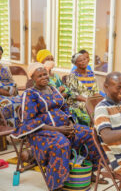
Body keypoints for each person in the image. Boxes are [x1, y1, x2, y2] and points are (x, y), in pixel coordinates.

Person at [11, 62, 107, 191]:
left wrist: (71, 124)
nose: (44, 77)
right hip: (42, 132)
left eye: (45, 74)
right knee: (61, 143)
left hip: (64, 127)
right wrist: (58, 130)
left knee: (89, 133)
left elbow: (65, 108)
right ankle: (57, 185)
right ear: (32, 78)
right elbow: (29, 121)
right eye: (39, 76)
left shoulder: (53, 88)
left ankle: (91, 172)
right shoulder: (30, 94)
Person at [66, 53, 105, 126]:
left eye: (84, 59)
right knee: (89, 110)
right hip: (77, 103)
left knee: (103, 107)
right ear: (75, 64)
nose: (83, 61)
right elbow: (73, 94)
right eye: (80, 60)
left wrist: (98, 100)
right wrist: (88, 101)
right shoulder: (72, 76)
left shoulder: (91, 74)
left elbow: (96, 91)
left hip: (90, 100)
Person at [0, 46, 21, 127]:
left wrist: (13, 92)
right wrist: (7, 93)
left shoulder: (5, 68)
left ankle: (20, 131)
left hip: (10, 94)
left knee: (22, 102)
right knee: (8, 105)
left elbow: (12, 82)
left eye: (0, 54)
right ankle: (8, 132)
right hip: (2, 96)